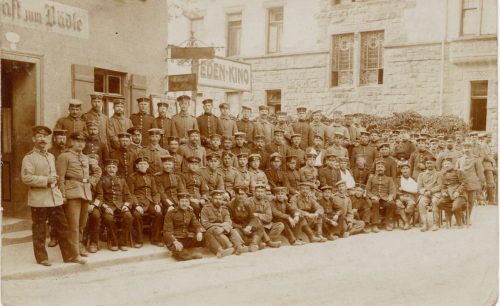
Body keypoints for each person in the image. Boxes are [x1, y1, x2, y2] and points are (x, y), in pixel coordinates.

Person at [21, 126, 85, 266]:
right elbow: (26, 178)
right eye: (39, 136)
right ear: (34, 139)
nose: (43, 139)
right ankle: (42, 258)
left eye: (45, 137)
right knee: (39, 229)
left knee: (62, 227)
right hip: (39, 199)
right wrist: (46, 180)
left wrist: (57, 187)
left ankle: (70, 256)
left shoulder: (50, 156)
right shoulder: (29, 157)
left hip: (54, 198)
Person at [56, 131, 102, 257]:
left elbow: (98, 171)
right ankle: (74, 252)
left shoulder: (86, 158)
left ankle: (79, 244)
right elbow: (60, 178)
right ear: (71, 142)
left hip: (86, 192)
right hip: (72, 193)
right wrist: (63, 195)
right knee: (74, 225)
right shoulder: (64, 157)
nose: (80, 144)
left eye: (82, 142)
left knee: (82, 223)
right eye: (77, 141)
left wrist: (91, 183)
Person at [90, 159, 133, 252]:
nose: (111, 169)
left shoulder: (122, 180)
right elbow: (99, 197)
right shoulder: (101, 181)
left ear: (117, 169)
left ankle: (123, 241)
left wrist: (126, 205)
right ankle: (113, 241)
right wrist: (105, 207)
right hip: (108, 206)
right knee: (109, 219)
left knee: (128, 217)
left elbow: (128, 196)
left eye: (113, 167)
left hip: (121, 206)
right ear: (105, 169)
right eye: (109, 167)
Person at [127, 157, 163, 248]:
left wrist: (157, 203)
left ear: (147, 166)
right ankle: (139, 240)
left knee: (158, 214)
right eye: (141, 164)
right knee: (136, 214)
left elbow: (155, 192)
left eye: (144, 164)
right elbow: (131, 194)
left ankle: (155, 239)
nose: (143, 166)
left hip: (150, 201)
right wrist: (136, 205)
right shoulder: (132, 177)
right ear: (137, 166)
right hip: (138, 201)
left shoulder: (151, 177)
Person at [201, 190, 247, 257]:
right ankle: (229, 247)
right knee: (216, 230)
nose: (218, 200)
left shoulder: (224, 209)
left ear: (222, 200)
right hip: (211, 228)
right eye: (216, 198)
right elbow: (205, 223)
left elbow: (229, 221)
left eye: (220, 199)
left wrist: (224, 228)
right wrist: (220, 225)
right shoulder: (205, 209)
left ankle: (239, 246)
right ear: (212, 199)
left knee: (232, 230)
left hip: (223, 228)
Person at [163, 193, 204, 261]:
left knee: (207, 235)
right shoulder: (171, 213)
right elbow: (167, 231)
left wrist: (199, 231)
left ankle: (218, 250)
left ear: (189, 203)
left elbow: (197, 224)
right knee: (178, 251)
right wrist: (175, 241)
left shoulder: (190, 212)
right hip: (176, 238)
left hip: (187, 237)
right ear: (178, 202)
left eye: (186, 201)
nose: (184, 203)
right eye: (182, 201)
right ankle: (190, 255)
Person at [47, 129, 68, 248]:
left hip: (66, 184)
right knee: (54, 212)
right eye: (59, 138)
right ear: (55, 139)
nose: (62, 141)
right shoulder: (50, 152)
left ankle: (64, 237)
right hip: (54, 184)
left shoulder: (69, 151)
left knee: (66, 211)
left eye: (64, 138)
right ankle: (54, 237)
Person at [227, 186, 264, 252]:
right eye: (239, 194)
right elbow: (230, 221)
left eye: (242, 194)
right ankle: (253, 244)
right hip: (238, 228)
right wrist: (242, 228)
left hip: (247, 227)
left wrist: (249, 226)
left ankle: (253, 244)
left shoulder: (247, 204)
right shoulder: (230, 205)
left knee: (259, 225)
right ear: (234, 194)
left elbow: (252, 217)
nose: (241, 196)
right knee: (235, 232)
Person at [246, 184, 284, 248]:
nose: (260, 194)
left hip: (266, 225)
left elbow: (269, 217)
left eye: (262, 192)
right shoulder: (249, 201)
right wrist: (257, 217)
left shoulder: (266, 202)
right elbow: (249, 216)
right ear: (254, 192)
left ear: (264, 193)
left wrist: (258, 215)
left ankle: (265, 241)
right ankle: (268, 242)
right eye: (258, 191)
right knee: (257, 221)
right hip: (253, 226)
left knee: (280, 225)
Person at [456, 141, 486, 222]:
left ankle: (468, 217)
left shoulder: (476, 159)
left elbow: (480, 172)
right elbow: (456, 172)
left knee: (471, 201)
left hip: (472, 183)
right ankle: (462, 216)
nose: (467, 149)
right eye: (465, 147)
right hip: (462, 184)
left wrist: (482, 182)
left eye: (468, 147)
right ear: (463, 148)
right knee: (462, 201)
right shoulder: (459, 159)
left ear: (472, 148)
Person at [365, 160, 397, 232]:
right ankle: (374, 224)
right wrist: (372, 196)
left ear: (384, 169)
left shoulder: (389, 179)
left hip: (384, 198)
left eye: (381, 167)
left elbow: (392, 190)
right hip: (373, 198)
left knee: (391, 204)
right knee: (375, 203)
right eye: (378, 167)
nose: (380, 168)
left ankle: (387, 222)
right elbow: (367, 190)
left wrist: (391, 196)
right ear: (376, 169)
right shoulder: (371, 178)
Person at [437, 158, 466, 229]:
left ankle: (460, 224)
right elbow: (443, 186)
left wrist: (458, 192)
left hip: (459, 194)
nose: (446, 165)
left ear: (452, 164)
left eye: (448, 164)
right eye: (444, 164)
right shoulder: (443, 174)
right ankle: (451, 213)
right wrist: (444, 192)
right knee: (439, 203)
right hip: (448, 194)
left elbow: (464, 183)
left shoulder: (459, 172)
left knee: (455, 206)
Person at [416, 156, 442, 232]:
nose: (429, 165)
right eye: (427, 163)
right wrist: (424, 192)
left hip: (435, 194)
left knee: (435, 202)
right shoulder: (421, 175)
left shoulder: (438, 174)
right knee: (421, 202)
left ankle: (435, 224)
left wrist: (431, 191)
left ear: (434, 163)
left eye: (430, 163)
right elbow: (419, 187)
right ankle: (425, 224)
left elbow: (440, 186)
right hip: (425, 194)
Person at [395, 163, 418, 230]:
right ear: (401, 170)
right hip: (400, 196)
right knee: (398, 204)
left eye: (407, 168)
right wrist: (400, 196)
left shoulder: (413, 179)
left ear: (410, 170)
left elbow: (415, 190)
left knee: (411, 204)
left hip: (411, 197)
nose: (405, 170)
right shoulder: (397, 179)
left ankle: (405, 221)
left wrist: (404, 189)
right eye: (403, 169)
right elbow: (396, 189)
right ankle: (407, 222)